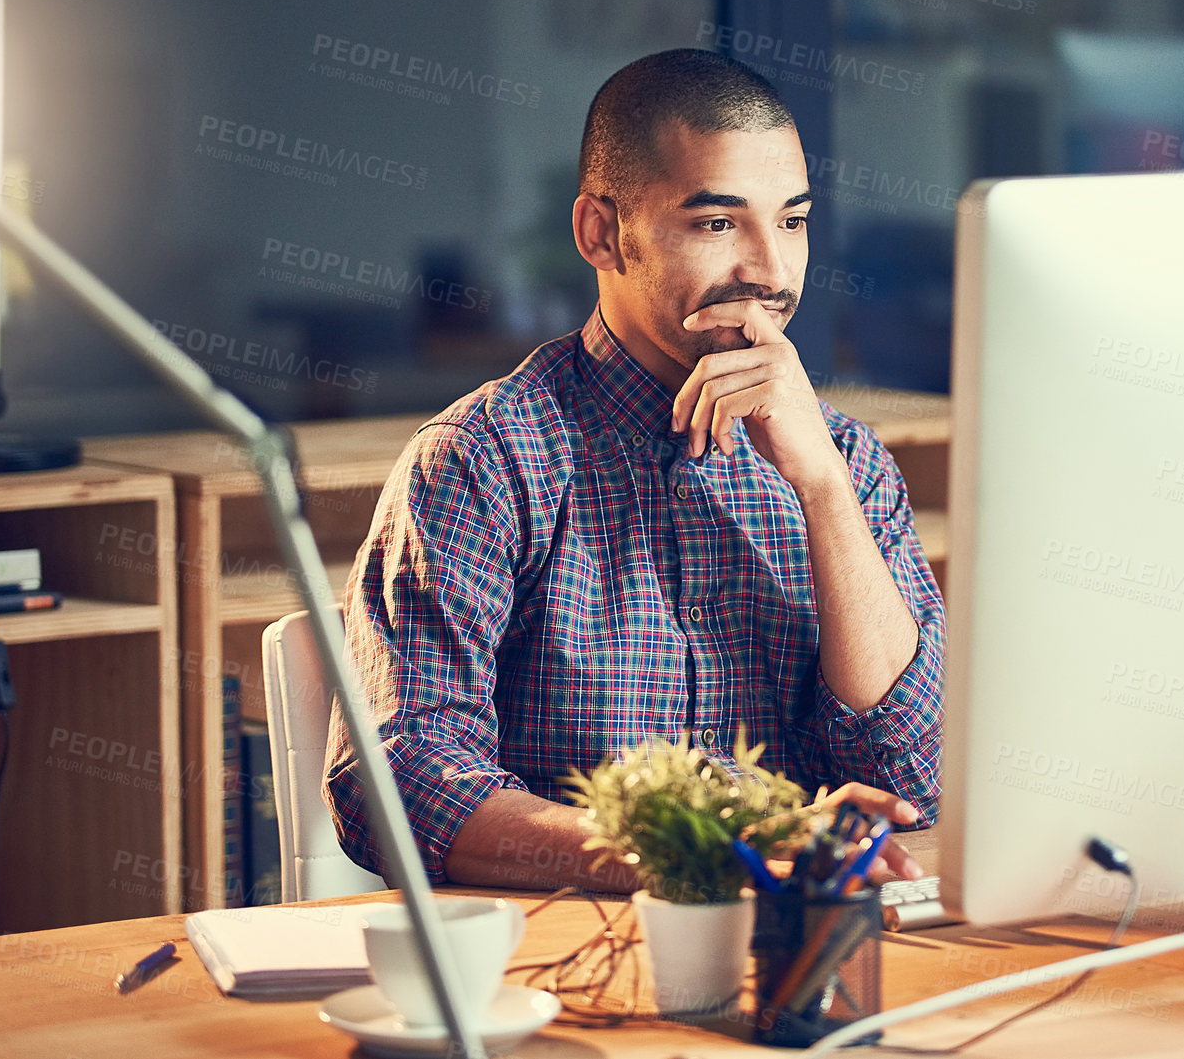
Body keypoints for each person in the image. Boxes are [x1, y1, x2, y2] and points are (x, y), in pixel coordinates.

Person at [325, 48, 942, 892]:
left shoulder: (849, 462)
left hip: (810, 957)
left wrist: (824, 490)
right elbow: (398, 783)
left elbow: (915, 783)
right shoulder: (484, 460)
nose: (769, 267)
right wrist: (703, 851)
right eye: (718, 223)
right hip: (566, 962)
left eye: (792, 221)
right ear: (601, 234)